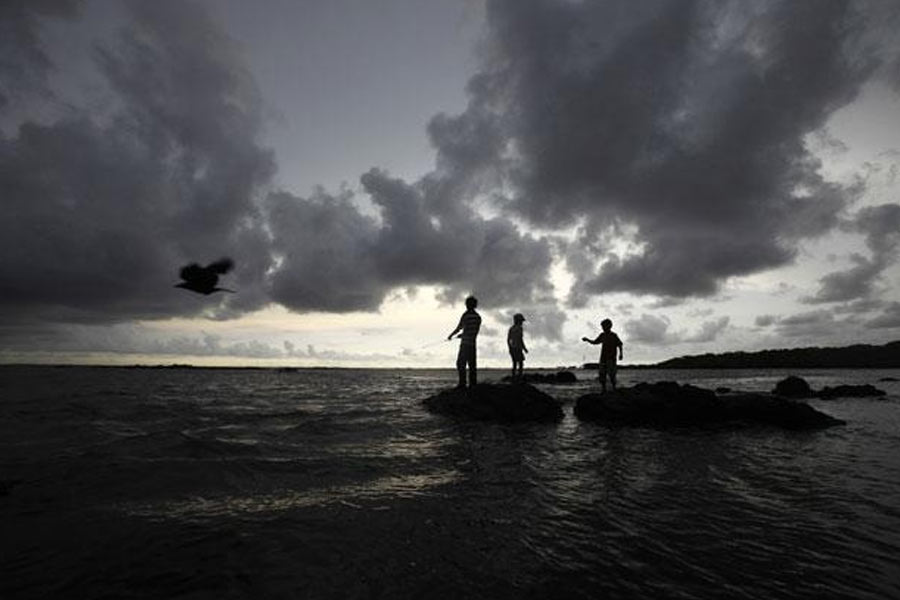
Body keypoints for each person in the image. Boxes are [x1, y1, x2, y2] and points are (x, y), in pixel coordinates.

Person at [448, 296, 482, 388]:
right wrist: (462, 335)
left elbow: (459, 327)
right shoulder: (478, 317)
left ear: (467, 305)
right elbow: (474, 332)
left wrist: (451, 335)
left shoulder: (466, 315)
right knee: (472, 365)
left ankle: (462, 383)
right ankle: (472, 384)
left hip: (465, 344)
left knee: (460, 363)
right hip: (473, 343)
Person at [582, 318, 623, 393]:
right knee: (602, 374)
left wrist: (621, 354)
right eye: (602, 326)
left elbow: (620, 344)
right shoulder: (602, 335)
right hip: (603, 358)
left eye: (604, 326)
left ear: (609, 326)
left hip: (611, 358)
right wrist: (587, 340)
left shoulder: (613, 335)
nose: (603, 328)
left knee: (612, 374)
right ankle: (604, 389)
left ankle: (614, 388)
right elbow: (595, 342)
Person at [507, 313, 528, 379]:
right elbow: (520, 339)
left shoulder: (511, 328)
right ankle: (519, 377)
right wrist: (524, 348)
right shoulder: (519, 328)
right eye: (521, 321)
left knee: (514, 363)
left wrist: (510, 348)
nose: (522, 322)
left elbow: (508, 339)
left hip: (512, 348)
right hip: (518, 348)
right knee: (521, 363)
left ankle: (514, 377)